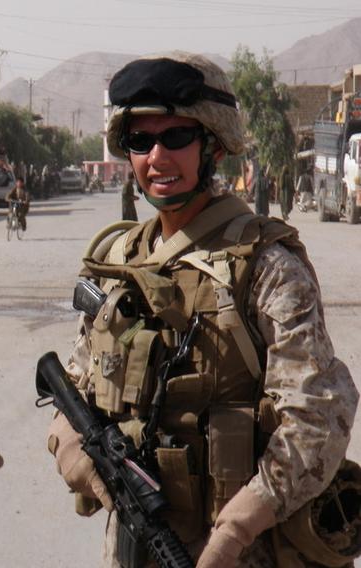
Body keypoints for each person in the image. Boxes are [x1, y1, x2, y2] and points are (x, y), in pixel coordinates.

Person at [47, 53, 358, 567]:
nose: (156, 158)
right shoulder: (119, 261)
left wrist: (231, 536)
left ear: (213, 145)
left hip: (248, 552)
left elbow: (319, 420)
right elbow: (76, 389)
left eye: (175, 138)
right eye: (140, 142)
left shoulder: (265, 266)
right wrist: (73, 452)